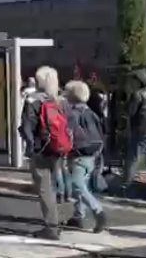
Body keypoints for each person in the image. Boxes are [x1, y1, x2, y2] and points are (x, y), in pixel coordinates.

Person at [20, 66, 64, 240]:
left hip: (40, 149)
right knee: (53, 186)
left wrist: (30, 146)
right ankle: (56, 222)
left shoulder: (32, 100)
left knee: (44, 189)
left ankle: (51, 227)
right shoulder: (59, 100)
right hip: (57, 148)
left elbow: (27, 126)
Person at [64, 80, 108, 233]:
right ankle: (78, 216)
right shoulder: (91, 112)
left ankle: (98, 211)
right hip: (92, 154)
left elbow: (68, 133)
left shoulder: (72, 114)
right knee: (82, 186)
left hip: (78, 154)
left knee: (77, 185)